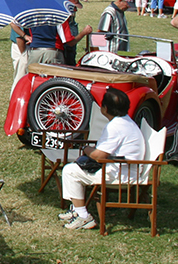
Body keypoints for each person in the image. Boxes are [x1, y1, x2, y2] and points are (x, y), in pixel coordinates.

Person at [58, 88, 144, 230]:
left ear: (105, 108)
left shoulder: (116, 126)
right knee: (77, 168)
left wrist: (86, 149)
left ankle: (83, 216)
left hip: (121, 174)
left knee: (70, 171)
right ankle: (75, 209)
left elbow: (99, 156)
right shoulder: (126, 122)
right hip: (127, 169)